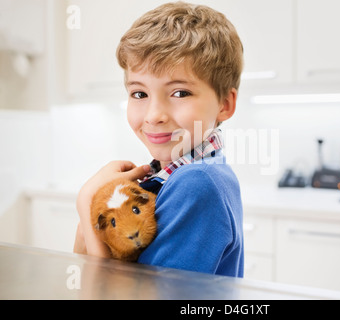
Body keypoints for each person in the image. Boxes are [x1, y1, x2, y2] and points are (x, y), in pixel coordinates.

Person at [73, 1, 244, 277]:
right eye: (139, 94)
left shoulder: (197, 183)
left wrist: (86, 202)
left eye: (179, 93)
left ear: (225, 104)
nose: (154, 116)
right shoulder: (180, 176)